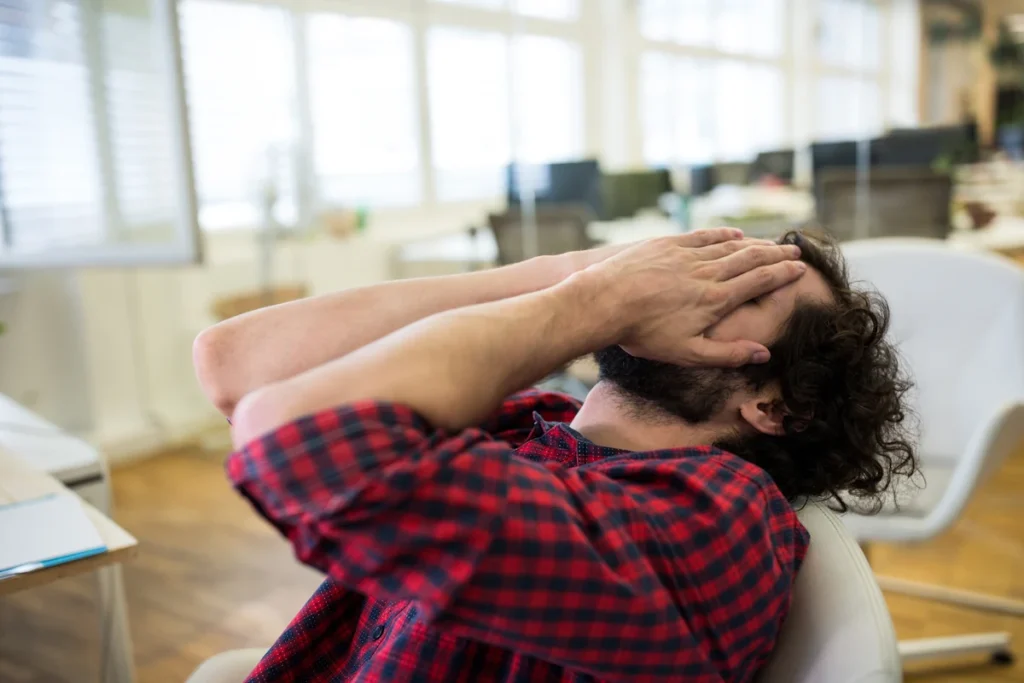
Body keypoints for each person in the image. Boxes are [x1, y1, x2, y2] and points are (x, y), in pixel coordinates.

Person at [193, 229, 915, 683]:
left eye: (747, 284)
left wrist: (592, 306)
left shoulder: (721, 519)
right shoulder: (539, 421)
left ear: (774, 404)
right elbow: (233, 365)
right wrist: (575, 274)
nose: (697, 274)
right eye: (713, 257)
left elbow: (293, 432)